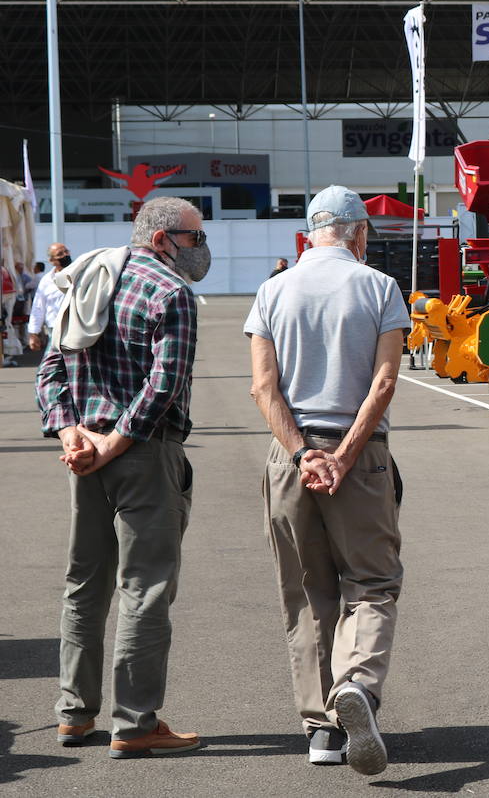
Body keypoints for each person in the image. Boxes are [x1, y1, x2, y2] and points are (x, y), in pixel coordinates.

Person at [34, 197, 211, 758]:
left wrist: (71, 434)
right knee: (145, 586)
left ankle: (73, 715)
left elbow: (52, 368)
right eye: (193, 236)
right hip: (142, 453)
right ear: (162, 239)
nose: (200, 248)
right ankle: (134, 723)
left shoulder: (90, 278)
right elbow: (164, 384)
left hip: (84, 454)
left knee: (84, 585)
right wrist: (115, 441)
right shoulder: (172, 293)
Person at [245, 185, 409, 775]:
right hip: (359, 457)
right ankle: (358, 687)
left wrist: (301, 453)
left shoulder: (272, 290)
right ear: (358, 232)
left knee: (308, 592)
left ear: (308, 233)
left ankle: (321, 732)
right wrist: (342, 455)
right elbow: (384, 382)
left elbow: (264, 388)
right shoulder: (379, 287)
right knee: (372, 581)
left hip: (289, 459)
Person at [28, 243, 72, 351]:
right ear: (52, 260)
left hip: (75, 328)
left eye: (66, 251)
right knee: (51, 366)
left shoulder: (80, 274)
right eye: (60, 254)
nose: (65, 255)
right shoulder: (47, 280)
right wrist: (33, 333)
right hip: (54, 331)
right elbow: (38, 307)